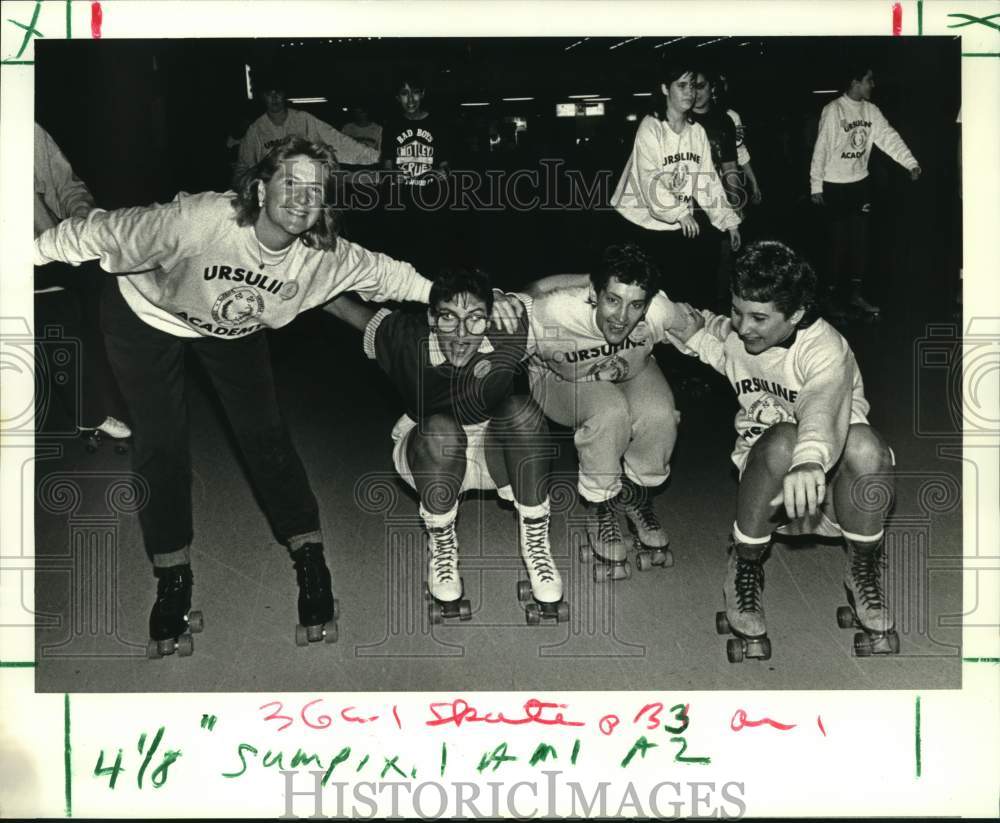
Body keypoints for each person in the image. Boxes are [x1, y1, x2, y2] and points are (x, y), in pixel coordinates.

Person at [34, 136, 521, 657]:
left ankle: (310, 559)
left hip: (230, 329)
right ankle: (172, 577)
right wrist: (27, 254)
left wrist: (472, 307)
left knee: (265, 437)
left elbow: (391, 276)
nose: (302, 197)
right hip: (144, 314)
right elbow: (99, 232)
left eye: (315, 189)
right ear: (261, 187)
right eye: (291, 182)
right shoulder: (202, 220)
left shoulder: (321, 257)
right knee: (161, 444)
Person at [671, 240, 898, 661]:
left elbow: (822, 403)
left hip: (830, 487)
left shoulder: (825, 348)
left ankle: (862, 567)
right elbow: (691, 326)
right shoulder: (737, 336)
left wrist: (810, 458)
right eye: (737, 310)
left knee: (868, 446)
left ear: (794, 315)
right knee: (780, 437)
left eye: (758, 317)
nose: (743, 326)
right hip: (769, 487)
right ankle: (745, 566)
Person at [325, 270, 565, 623]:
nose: (462, 334)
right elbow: (344, 308)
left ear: (488, 318)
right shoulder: (405, 338)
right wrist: (292, 280)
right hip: (429, 450)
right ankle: (442, 543)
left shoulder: (509, 326)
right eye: (449, 318)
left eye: (474, 319)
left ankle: (536, 542)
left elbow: (553, 293)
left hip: (493, 451)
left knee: (522, 410)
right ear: (431, 317)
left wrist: (507, 294)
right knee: (441, 428)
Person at [522, 244, 693, 580]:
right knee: (610, 412)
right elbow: (512, 309)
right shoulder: (553, 312)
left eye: (635, 306)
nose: (621, 316)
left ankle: (637, 495)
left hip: (630, 370)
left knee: (660, 415)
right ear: (593, 294)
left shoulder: (659, 310)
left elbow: (710, 337)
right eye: (612, 300)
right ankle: (600, 506)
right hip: (560, 379)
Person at [611, 61, 741, 308]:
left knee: (679, 293)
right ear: (664, 88)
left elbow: (707, 180)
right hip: (639, 220)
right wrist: (681, 213)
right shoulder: (651, 127)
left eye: (692, 85)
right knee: (643, 296)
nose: (690, 92)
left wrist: (728, 220)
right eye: (681, 85)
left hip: (674, 220)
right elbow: (651, 179)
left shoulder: (696, 132)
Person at [33, 122, 131, 447]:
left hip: (35, 258)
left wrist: (84, 221)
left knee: (60, 321)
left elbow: (66, 186)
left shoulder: (26, 129)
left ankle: (89, 414)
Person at [809, 64, 921, 317]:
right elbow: (822, 148)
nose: (873, 85)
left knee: (860, 243)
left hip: (860, 185)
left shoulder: (871, 111)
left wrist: (910, 162)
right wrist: (816, 185)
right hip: (834, 185)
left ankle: (855, 295)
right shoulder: (834, 110)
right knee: (837, 245)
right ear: (855, 81)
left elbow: (889, 137)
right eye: (869, 80)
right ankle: (829, 297)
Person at [235, 74, 379, 183]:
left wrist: (377, 156)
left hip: (305, 187)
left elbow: (339, 142)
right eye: (269, 93)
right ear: (262, 96)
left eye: (278, 92)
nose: (274, 97)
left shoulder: (304, 120)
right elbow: (242, 171)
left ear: (285, 94)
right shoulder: (255, 131)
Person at [379, 69, 455, 272]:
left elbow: (447, 164)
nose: (410, 99)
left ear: (423, 93)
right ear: (397, 98)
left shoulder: (438, 124)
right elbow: (386, 167)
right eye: (404, 93)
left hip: (432, 201)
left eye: (414, 92)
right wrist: (393, 176)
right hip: (403, 202)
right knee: (404, 258)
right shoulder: (392, 126)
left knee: (433, 256)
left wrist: (444, 172)